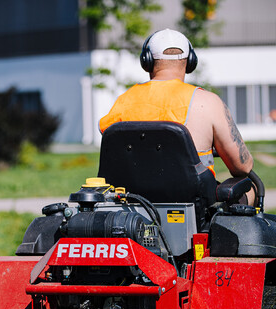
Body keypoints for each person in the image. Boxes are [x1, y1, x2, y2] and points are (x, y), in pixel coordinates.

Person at [99, 29, 254, 204]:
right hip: (194, 206)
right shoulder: (208, 102)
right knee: (252, 189)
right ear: (190, 62)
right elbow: (243, 167)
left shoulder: (123, 101)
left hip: (132, 205)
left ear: (147, 61)